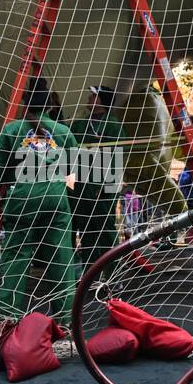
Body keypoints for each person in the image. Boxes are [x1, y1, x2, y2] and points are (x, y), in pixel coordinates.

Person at [0, 78, 80, 319]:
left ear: (25, 105)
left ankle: (9, 318)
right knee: (61, 260)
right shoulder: (64, 132)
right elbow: (74, 171)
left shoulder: (11, 130)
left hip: (22, 198)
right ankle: (64, 319)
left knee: (16, 259)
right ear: (49, 105)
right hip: (55, 198)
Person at [68, 84, 125, 281]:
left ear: (103, 101)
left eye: (94, 96)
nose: (90, 98)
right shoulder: (78, 125)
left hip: (102, 187)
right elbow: (71, 155)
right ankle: (90, 275)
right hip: (81, 185)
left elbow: (117, 157)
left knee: (105, 229)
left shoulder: (113, 125)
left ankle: (112, 274)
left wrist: (108, 187)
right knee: (86, 230)